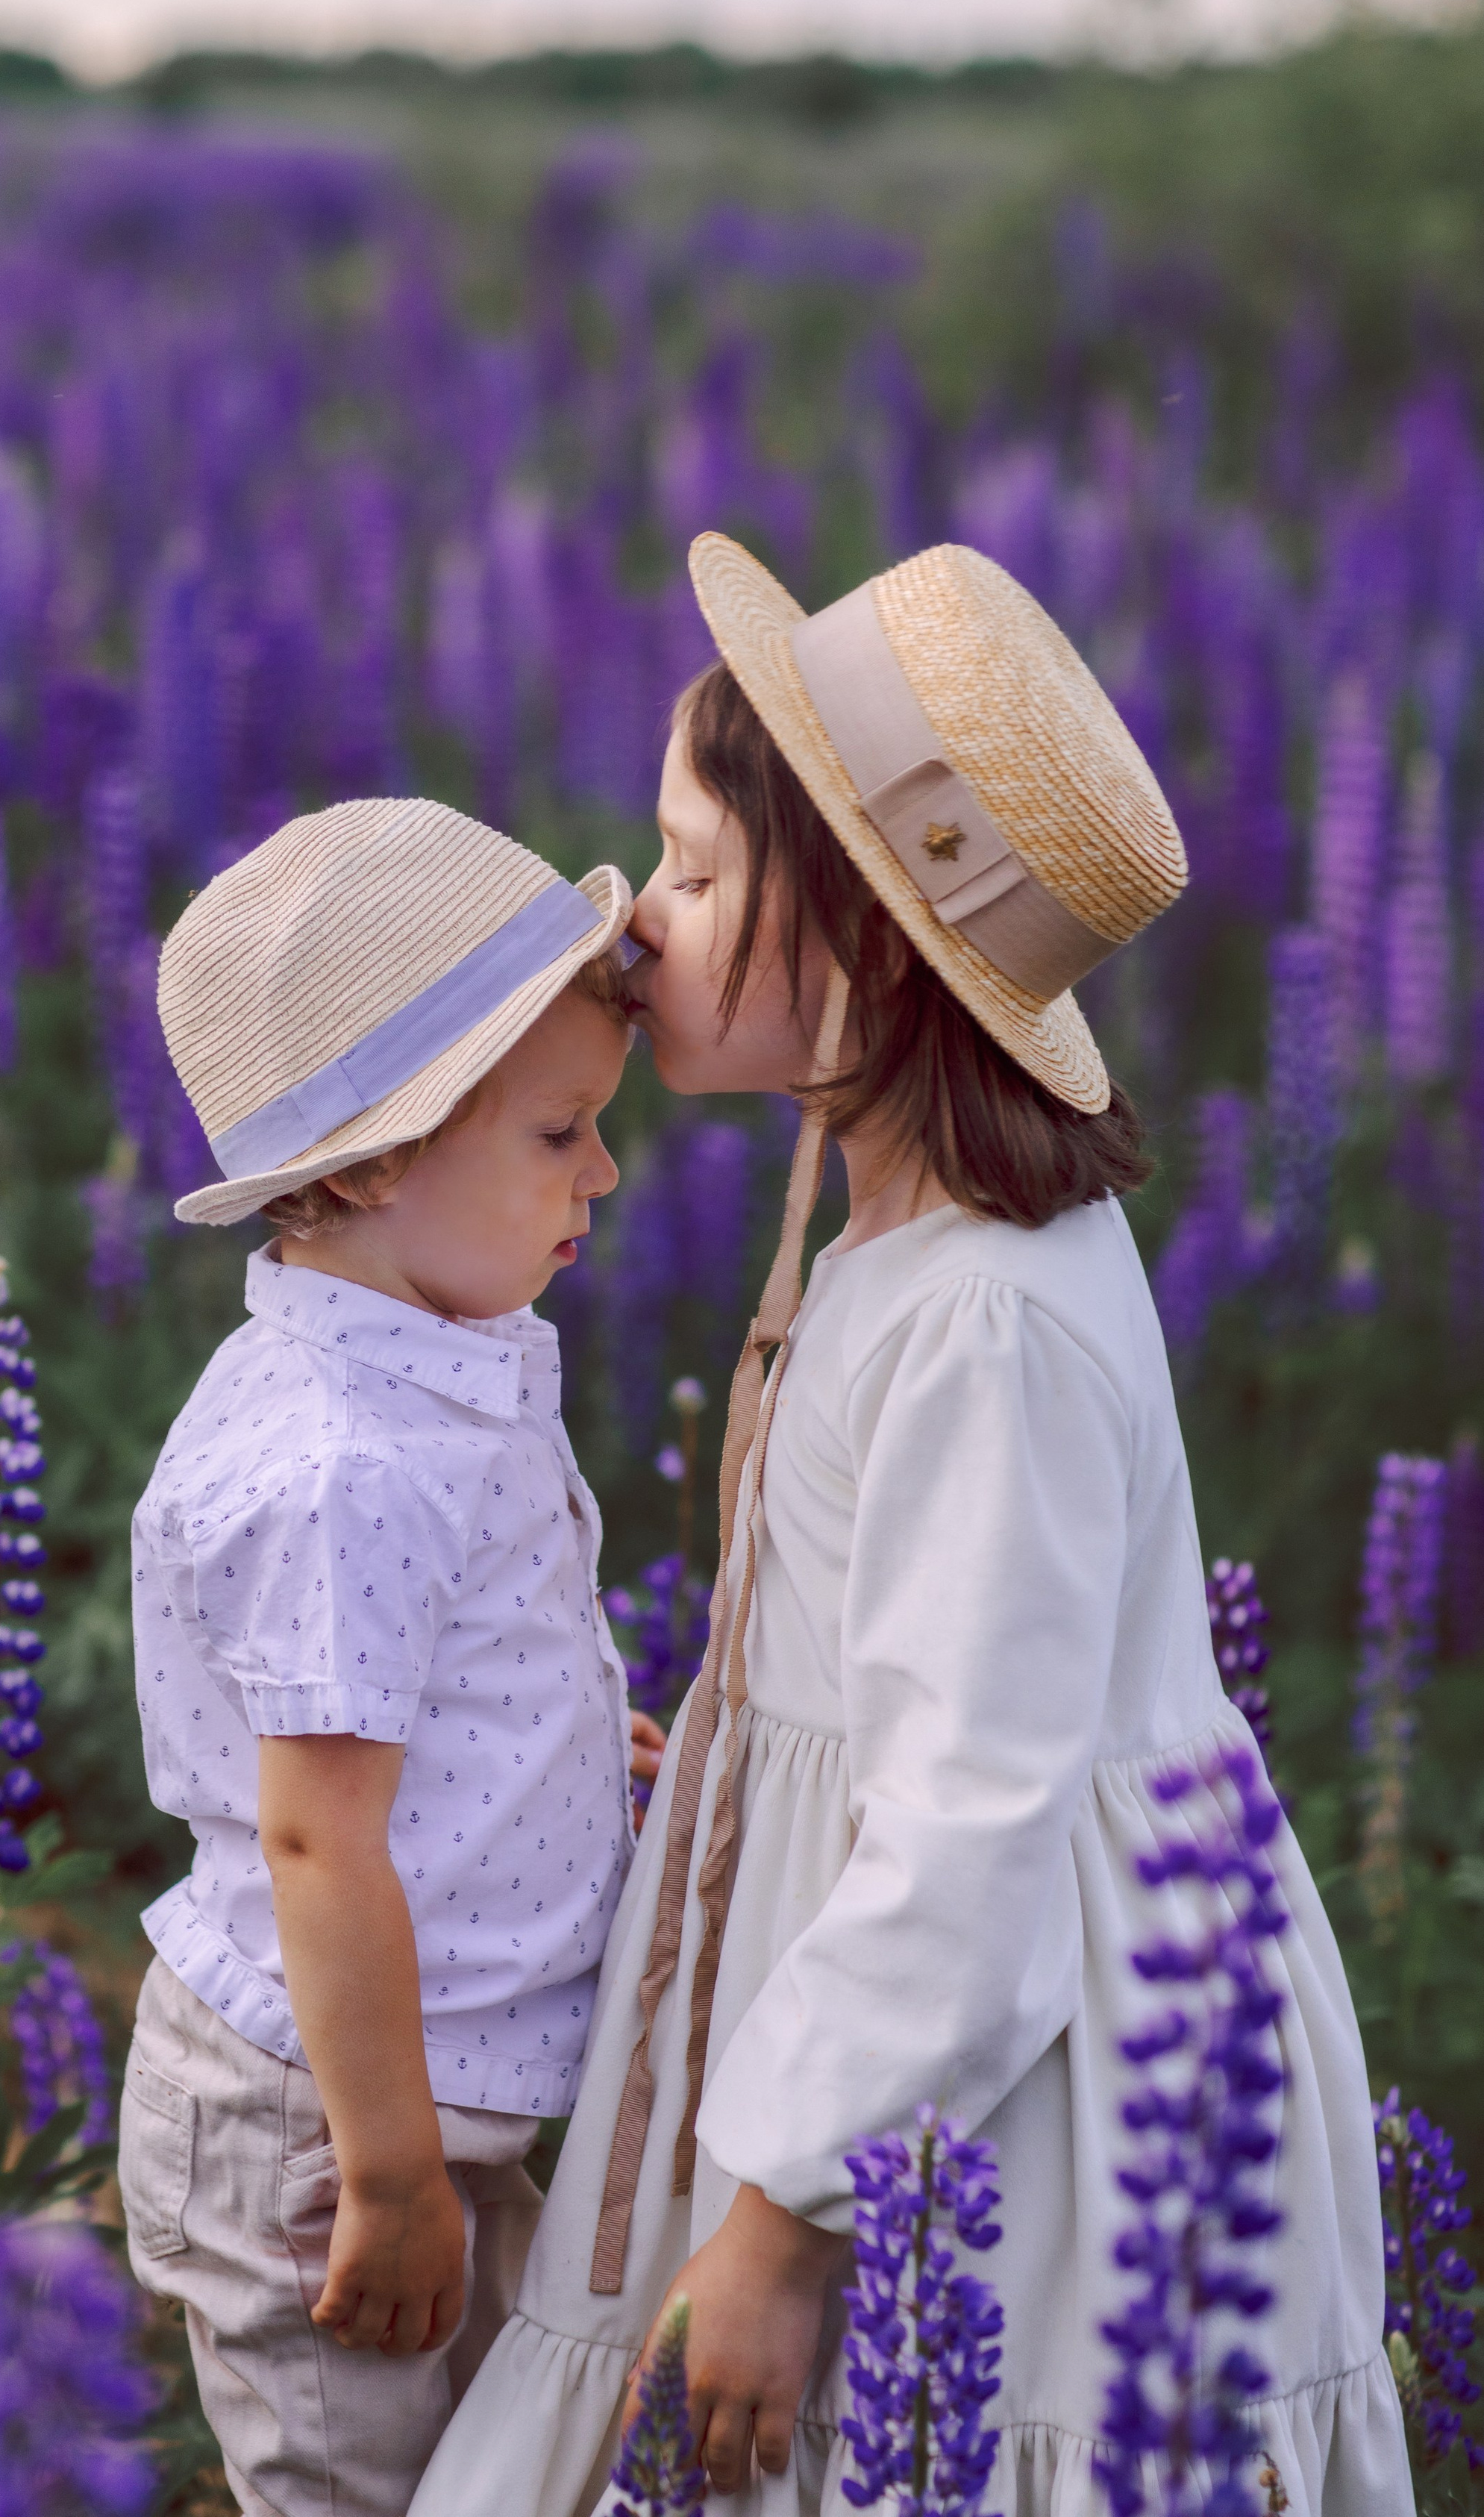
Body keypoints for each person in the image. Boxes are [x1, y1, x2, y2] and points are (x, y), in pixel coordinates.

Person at [413, 538, 1409, 2516]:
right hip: (894, 1987)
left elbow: (972, 1813)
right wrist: (732, 1769)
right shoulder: (902, 1228)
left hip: (1004, 2098)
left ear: (873, 947)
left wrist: (788, 2215)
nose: (641, 922)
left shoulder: (984, 1319)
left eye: (697, 873)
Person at [116, 794, 667, 2517]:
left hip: (428, 2093)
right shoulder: (340, 1459)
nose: (603, 1172)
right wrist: (389, 2174)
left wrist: (573, 1751)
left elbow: (427, 1678)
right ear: (368, 1164)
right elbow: (315, 1841)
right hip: (324, 2126)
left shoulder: (428, 1348)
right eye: (559, 1131)